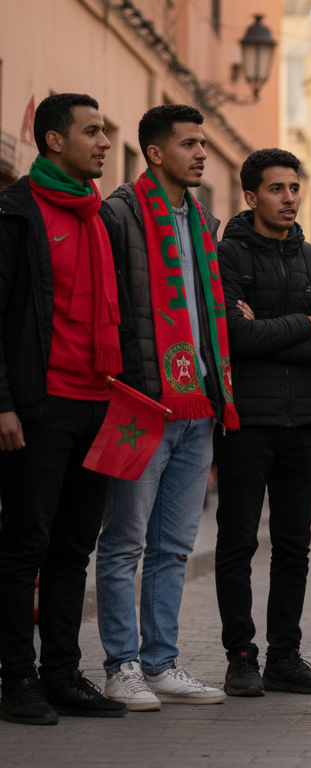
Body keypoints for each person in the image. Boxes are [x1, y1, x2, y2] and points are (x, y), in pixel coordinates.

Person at [0, 93, 136, 724]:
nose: (106, 142)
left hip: (100, 404)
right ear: (54, 141)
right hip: (40, 406)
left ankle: (61, 673)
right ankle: (16, 680)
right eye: (93, 132)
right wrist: (4, 404)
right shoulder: (16, 213)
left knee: (74, 548)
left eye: (105, 131)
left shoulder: (98, 217)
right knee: (25, 546)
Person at [97, 105, 232, 710]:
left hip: (199, 406)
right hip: (141, 405)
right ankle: (121, 666)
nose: (201, 153)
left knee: (174, 546)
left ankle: (162, 663)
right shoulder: (120, 213)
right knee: (124, 542)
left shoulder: (205, 222)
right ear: (155, 153)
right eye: (189, 144)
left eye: (203, 143)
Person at [214, 148, 311, 696]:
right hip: (246, 422)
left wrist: (271, 331)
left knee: (294, 545)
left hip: (303, 425)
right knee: (238, 542)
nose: (289, 198)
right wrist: (304, 323)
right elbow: (235, 337)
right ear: (251, 196)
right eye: (276, 188)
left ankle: (284, 657)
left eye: (294, 188)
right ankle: (241, 657)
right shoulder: (226, 256)